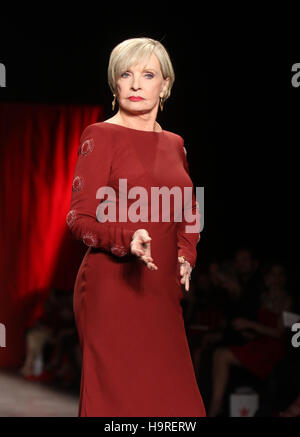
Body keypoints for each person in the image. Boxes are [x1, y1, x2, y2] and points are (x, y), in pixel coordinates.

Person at [66, 37, 206, 417]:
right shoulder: (100, 135)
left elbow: (190, 209)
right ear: (114, 83)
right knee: (118, 408)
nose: (135, 84)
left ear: (166, 84)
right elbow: (78, 220)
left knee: (179, 409)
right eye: (125, 74)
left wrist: (187, 253)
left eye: (147, 74)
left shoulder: (175, 143)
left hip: (162, 293)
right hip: (110, 288)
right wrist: (128, 239)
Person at [208, 263, 294, 417]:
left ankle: (215, 408)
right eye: (272, 274)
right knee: (219, 352)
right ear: (267, 278)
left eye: (279, 274)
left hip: (274, 347)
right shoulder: (262, 297)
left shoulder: (286, 300)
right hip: (261, 342)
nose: (276, 278)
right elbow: (261, 326)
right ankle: (216, 404)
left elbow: (279, 333)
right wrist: (250, 332)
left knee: (222, 355)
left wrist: (249, 324)